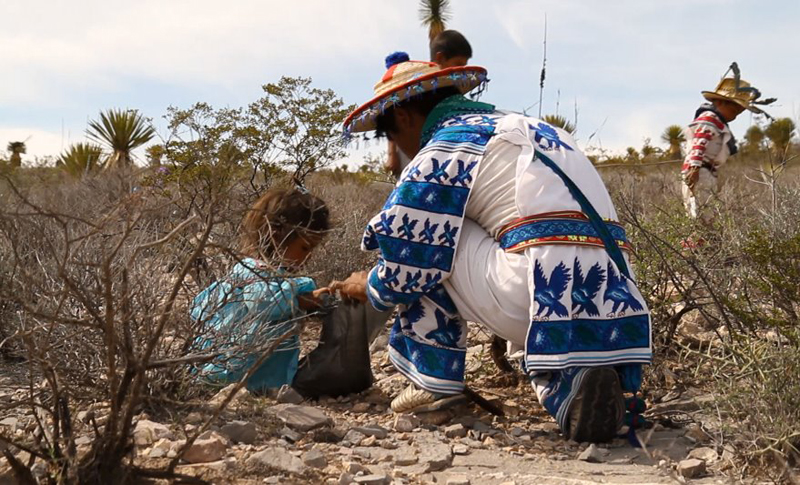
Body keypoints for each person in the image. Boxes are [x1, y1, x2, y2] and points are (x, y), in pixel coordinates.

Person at [336, 55, 652, 443]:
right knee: (519, 241)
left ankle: (434, 384)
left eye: (390, 136)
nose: (397, 149)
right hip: (620, 305)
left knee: (431, 234)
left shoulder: (443, 148)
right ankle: (574, 386)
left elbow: (410, 263)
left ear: (403, 118)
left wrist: (367, 285)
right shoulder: (534, 128)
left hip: (537, 300)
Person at [191, 187, 331, 393]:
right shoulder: (254, 272)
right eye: (305, 248)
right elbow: (263, 302)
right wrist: (303, 298)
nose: (309, 257)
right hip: (229, 378)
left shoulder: (259, 273)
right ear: (276, 237)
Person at [681, 63, 774, 222]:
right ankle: (697, 245)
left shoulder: (717, 122)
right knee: (700, 214)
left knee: (703, 212)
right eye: (735, 110)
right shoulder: (709, 118)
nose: (736, 115)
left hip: (706, 171)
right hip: (699, 171)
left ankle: (700, 243)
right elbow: (699, 142)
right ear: (721, 103)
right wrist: (695, 168)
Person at [386, 30, 473, 178]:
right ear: (440, 58)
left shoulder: (452, 92)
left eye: (464, 65)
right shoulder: (420, 89)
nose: (461, 70)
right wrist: (391, 153)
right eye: (458, 64)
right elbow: (394, 121)